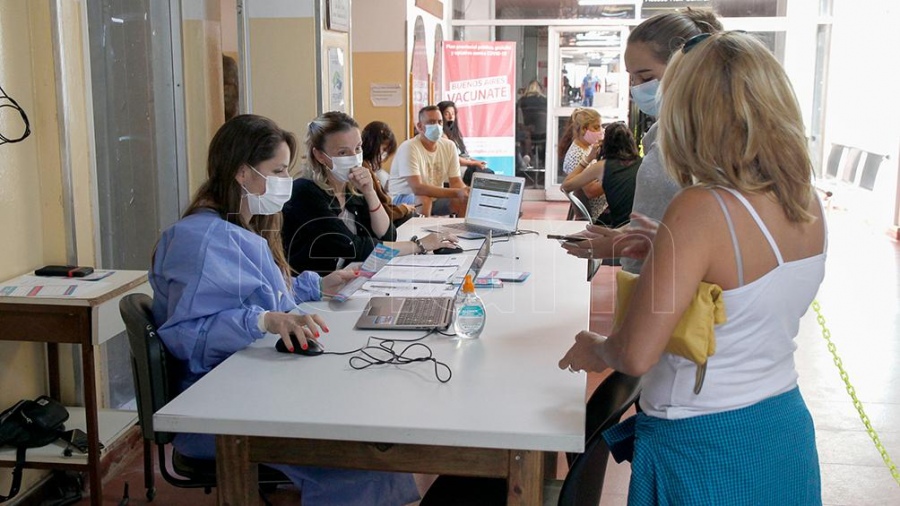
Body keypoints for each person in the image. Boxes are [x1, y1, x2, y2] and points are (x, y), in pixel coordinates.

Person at [560, 31, 826, 504]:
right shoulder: (804, 198)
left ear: (693, 112)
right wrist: (662, 247)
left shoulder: (702, 208)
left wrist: (596, 347)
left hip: (704, 441)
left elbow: (636, 354)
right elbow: (747, 286)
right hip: (781, 426)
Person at [150, 114, 421, 505]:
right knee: (360, 458)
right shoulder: (201, 239)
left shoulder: (239, 227)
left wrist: (317, 283)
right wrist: (264, 320)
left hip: (250, 388)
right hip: (219, 411)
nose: (284, 182)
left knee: (367, 431)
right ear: (243, 174)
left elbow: (260, 292)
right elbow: (188, 337)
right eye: (277, 171)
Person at [561, 8, 722, 268]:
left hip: (676, 283)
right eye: (632, 78)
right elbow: (653, 219)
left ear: (686, 68)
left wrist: (623, 242)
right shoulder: (660, 133)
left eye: (646, 77)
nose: (637, 88)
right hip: (647, 275)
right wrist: (619, 235)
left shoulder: (711, 142)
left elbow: (707, 234)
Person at [282, 111, 458, 275]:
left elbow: (388, 234)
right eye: (343, 152)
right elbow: (353, 247)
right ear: (320, 156)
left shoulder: (352, 187)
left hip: (349, 280)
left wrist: (370, 192)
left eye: (357, 149)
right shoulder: (304, 192)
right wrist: (419, 245)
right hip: (313, 290)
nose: (354, 157)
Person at [388, 105, 469, 217]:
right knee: (423, 199)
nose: (437, 126)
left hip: (433, 197)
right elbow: (417, 188)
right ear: (420, 127)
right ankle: (421, 234)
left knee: (463, 200)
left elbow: (455, 182)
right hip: (403, 197)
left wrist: (466, 192)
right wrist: (456, 192)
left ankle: (461, 232)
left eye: (439, 122)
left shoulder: (449, 146)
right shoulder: (409, 147)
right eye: (431, 122)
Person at [561, 122, 641, 228]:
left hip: (617, 227)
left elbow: (565, 186)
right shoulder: (642, 164)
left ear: (605, 144)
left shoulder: (602, 167)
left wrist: (588, 159)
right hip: (641, 225)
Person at [360, 120, 417, 226]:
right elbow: (382, 211)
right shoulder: (365, 169)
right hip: (379, 221)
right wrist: (403, 209)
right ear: (373, 145)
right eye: (384, 149)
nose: (384, 154)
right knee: (413, 216)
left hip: (384, 213)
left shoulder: (369, 167)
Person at [559, 107, 607, 222]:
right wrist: (615, 178)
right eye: (596, 127)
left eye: (601, 126)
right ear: (584, 129)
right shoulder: (577, 155)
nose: (601, 130)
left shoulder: (588, 148)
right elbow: (591, 191)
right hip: (599, 214)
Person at [437, 100, 487, 177]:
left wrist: (477, 161)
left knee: (488, 171)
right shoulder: (441, 135)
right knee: (482, 174)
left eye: (453, 114)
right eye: (447, 114)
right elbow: (453, 159)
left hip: (464, 164)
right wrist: (474, 163)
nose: (451, 117)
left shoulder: (455, 134)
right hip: (453, 167)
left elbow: (464, 155)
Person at [517, 80, 548, 168]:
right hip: (543, 134)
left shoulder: (521, 101)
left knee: (522, 137)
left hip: (529, 133)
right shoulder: (545, 101)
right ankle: (545, 161)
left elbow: (517, 116)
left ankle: (528, 157)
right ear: (540, 89)